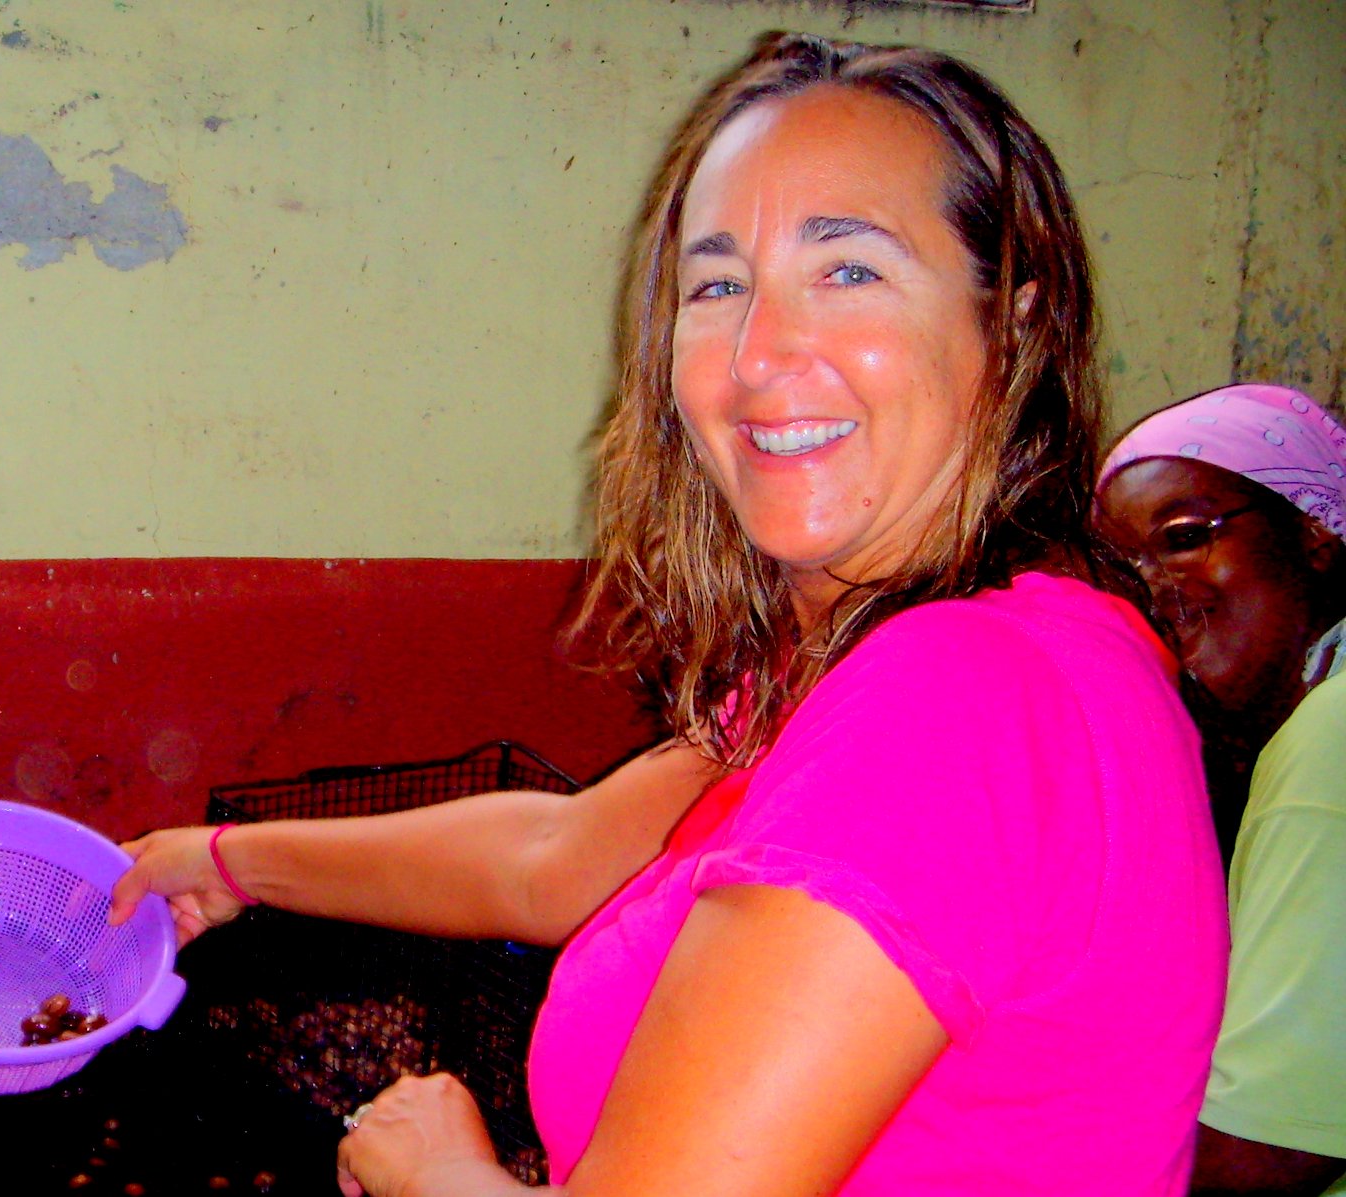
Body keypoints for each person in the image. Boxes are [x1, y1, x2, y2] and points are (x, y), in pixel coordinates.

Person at [110, 33, 1227, 1195]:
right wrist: (230, 863)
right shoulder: (923, 657)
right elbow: (555, 859)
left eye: (848, 270)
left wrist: (438, 1173)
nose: (759, 353)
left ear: (1013, 326)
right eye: (718, 285)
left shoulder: (952, 695)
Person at [1096, 383, 1346, 1197]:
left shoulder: (1326, 749)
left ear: (1312, 532)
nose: (1153, 586)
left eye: (1181, 536)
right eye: (1122, 566)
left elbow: (1263, 1156)